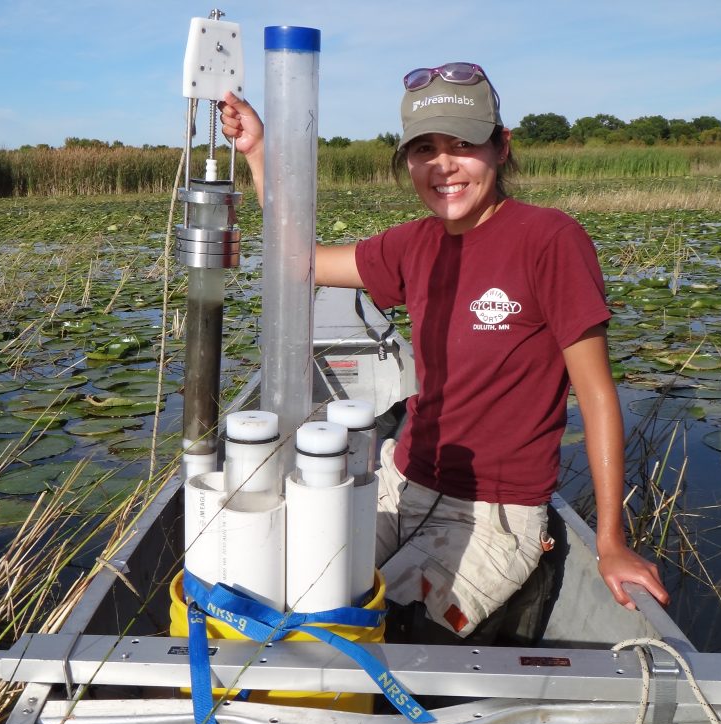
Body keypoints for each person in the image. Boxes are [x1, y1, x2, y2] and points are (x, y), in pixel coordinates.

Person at [219, 61, 668, 640]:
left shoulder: (550, 239)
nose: (443, 166)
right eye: (424, 149)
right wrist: (258, 153)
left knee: (376, 632)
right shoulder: (414, 244)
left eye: (463, 144)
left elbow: (598, 395)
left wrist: (611, 542)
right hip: (400, 479)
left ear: (502, 147)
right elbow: (301, 257)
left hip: (490, 516)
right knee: (283, 583)